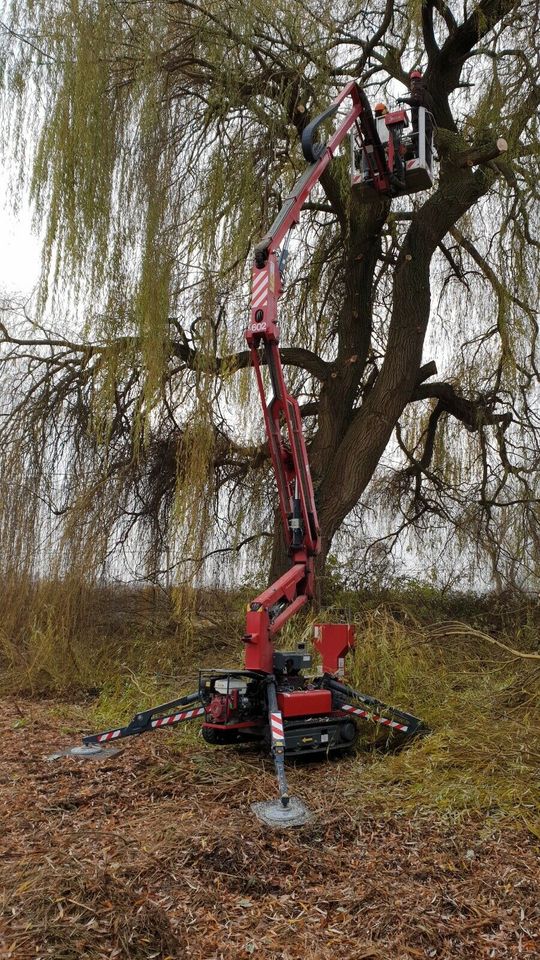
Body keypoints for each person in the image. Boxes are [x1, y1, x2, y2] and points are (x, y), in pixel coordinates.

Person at [398, 70, 435, 165]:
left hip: (421, 123)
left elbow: (416, 100)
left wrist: (403, 99)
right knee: (426, 146)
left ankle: (419, 161)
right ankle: (427, 164)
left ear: (412, 80)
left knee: (418, 142)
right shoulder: (428, 94)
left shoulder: (416, 87)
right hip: (428, 124)